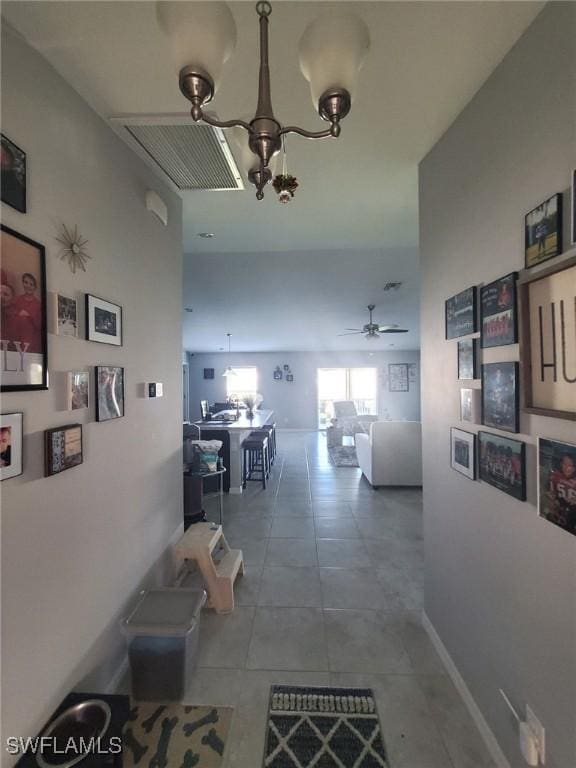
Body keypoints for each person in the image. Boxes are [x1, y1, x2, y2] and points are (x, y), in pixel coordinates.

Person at [11, 272, 42, 353]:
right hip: (17, 338)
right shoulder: (17, 300)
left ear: (35, 287)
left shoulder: (38, 305)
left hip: (32, 341)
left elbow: (39, 325)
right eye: (26, 282)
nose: (28, 286)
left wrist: (29, 316)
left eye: (31, 284)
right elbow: (10, 317)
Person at [546, 453, 576, 534]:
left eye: (570, 465)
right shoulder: (555, 476)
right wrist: (551, 497)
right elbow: (549, 493)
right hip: (558, 512)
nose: (566, 468)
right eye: (564, 464)